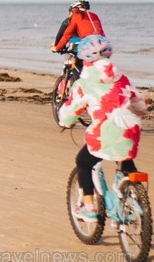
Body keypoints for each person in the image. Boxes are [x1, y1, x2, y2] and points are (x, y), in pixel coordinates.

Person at [58, 34, 147, 223]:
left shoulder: (84, 83)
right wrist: (139, 112)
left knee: (83, 161)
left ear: (84, 58)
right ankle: (133, 200)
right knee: (125, 160)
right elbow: (139, 103)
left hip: (104, 132)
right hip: (130, 130)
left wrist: (65, 122)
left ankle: (89, 207)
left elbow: (70, 111)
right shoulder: (121, 78)